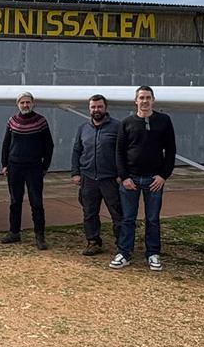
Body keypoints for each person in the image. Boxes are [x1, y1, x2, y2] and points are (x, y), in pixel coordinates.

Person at [111, 85, 176, 272]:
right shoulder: (127, 122)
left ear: (153, 100)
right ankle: (124, 253)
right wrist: (124, 177)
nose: (145, 101)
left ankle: (153, 253)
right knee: (128, 218)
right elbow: (119, 152)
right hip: (130, 180)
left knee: (153, 219)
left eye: (148, 97)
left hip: (153, 180)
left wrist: (163, 176)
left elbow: (170, 151)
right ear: (136, 101)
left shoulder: (164, 121)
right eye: (141, 97)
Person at [70, 94, 122, 256]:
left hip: (110, 179)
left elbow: (123, 152)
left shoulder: (117, 127)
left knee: (117, 213)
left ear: (105, 108)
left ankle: (122, 244)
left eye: (99, 107)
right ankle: (93, 241)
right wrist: (75, 172)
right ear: (89, 109)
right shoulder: (83, 128)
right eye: (93, 107)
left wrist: (122, 174)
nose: (96, 110)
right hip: (88, 178)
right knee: (89, 212)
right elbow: (77, 150)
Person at [0, 92, 53, 250]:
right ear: (18, 104)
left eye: (28, 102)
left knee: (36, 202)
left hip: (34, 167)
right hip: (14, 167)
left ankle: (39, 236)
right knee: (15, 201)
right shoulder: (12, 121)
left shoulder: (41, 121)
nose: (25, 105)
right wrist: (4, 164)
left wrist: (45, 166)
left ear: (33, 103)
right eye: (22, 102)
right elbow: (5, 144)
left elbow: (49, 146)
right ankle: (14, 232)